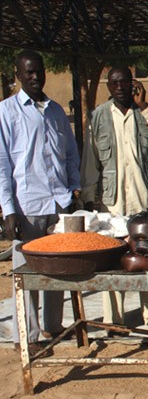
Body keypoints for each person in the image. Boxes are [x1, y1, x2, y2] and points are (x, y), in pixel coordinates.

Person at [80, 66, 148, 329]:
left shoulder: (145, 113)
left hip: (145, 198)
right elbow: (91, 160)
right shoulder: (99, 117)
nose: (120, 87)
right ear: (109, 87)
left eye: (125, 82)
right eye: (115, 83)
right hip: (113, 202)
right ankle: (115, 320)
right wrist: (89, 198)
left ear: (134, 85)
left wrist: (145, 106)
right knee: (112, 258)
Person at [0, 50, 81, 350]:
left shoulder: (57, 111)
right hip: (27, 206)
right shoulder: (7, 112)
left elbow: (70, 154)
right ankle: (28, 335)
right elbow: (2, 165)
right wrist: (8, 210)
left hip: (58, 204)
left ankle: (53, 325)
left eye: (39, 71)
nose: (35, 77)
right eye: (29, 72)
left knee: (57, 269)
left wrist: (74, 189)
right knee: (26, 273)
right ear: (18, 75)